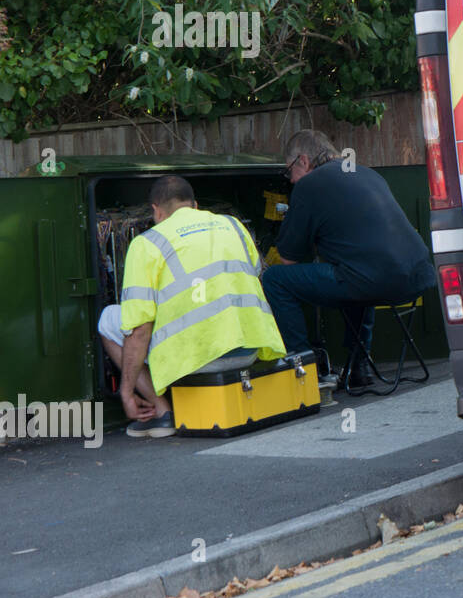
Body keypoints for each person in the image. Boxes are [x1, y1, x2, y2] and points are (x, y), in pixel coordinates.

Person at [98, 176, 286, 438]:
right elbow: (252, 274)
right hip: (249, 351)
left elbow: (139, 328)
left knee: (109, 319)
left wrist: (126, 392)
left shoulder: (146, 243)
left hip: (195, 360)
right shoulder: (232, 226)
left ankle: (162, 414)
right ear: (195, 205)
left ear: (156, 210)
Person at [262, 130, 437, 390]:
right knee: (356, 273)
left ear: (303, 161)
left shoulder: (310, 185)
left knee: (275, 280)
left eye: (289, 173)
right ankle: (359, 366)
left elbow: (288, 260)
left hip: (372, 281)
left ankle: (304, 370)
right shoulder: (366, 173)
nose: (290, 181)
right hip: (418, 277)